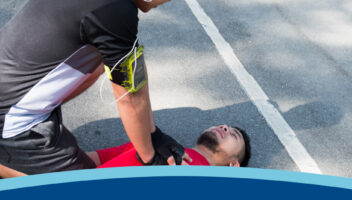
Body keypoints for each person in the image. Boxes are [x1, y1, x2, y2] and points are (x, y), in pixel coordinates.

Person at [0, 0, 189, 177]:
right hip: (8, 122)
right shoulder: (116, 11)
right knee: (90, 188)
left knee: (100, 61)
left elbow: (134, 75)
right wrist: (150, 159)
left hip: (8, 88)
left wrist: (154, 134)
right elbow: (130, 99)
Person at [88, 124, 251, 168]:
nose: (224, 128)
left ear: (233, 165)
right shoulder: (157, 141)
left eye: (233, 135)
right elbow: (97, 159)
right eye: (223, 126)